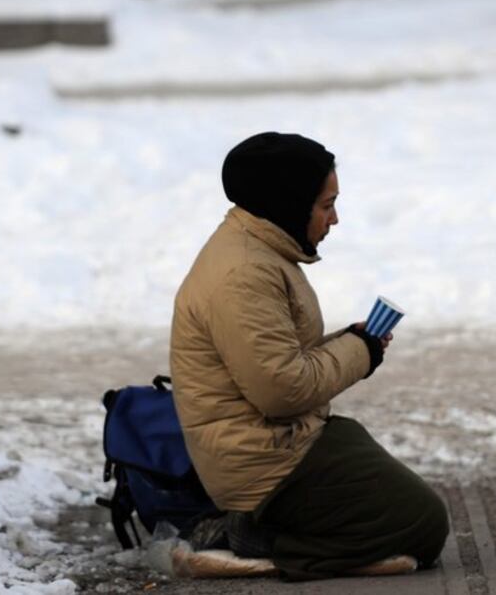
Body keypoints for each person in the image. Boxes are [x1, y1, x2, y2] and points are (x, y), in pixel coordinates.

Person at [168, 131, 449, 580]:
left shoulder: (259, 249)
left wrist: (353, 343)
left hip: (281, 440)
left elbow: (279, 359)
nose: (334, 219)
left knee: (385, 481)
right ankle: (250, 542)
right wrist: (360, 351)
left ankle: (261, 529)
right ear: (288, 203)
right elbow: (282, 390)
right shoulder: (245, 273)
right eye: (326, 204)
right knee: (420, 523)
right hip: (264, 462)